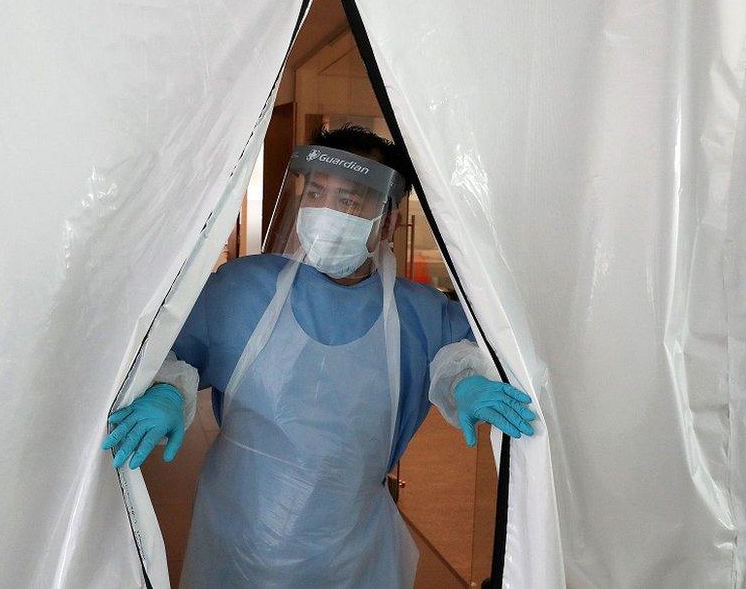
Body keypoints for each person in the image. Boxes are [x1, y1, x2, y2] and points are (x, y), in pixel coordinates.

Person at [102, 125, 536, 588]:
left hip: (348, 549)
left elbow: (458, 355)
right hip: (236, 534)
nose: (325, 213)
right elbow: (172, 350)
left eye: (349, 202)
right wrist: (166, 391)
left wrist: (465, 381)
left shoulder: (421, 314)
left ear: (388, 222)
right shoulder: (242, 289)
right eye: (315, 193)